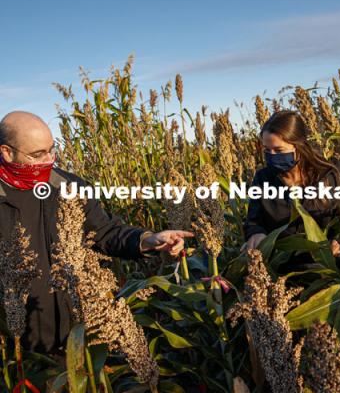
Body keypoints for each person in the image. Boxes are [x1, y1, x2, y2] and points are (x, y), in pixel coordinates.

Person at [0, 111, 194, 355]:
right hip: (15, 343)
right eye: (38, 155)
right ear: (7, 152)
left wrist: (146, 240)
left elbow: (105, 232)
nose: (49, 160)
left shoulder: (70, 187)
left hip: (78, 332)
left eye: (52, 150)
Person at [241, 109, 340, 276]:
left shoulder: (327, 176)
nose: (271, 156)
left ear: (298, 146)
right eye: (267, 150)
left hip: (326, 271)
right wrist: (256, 233)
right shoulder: (263, 179)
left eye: (279, 150)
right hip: (281, 273)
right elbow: (253, 220)